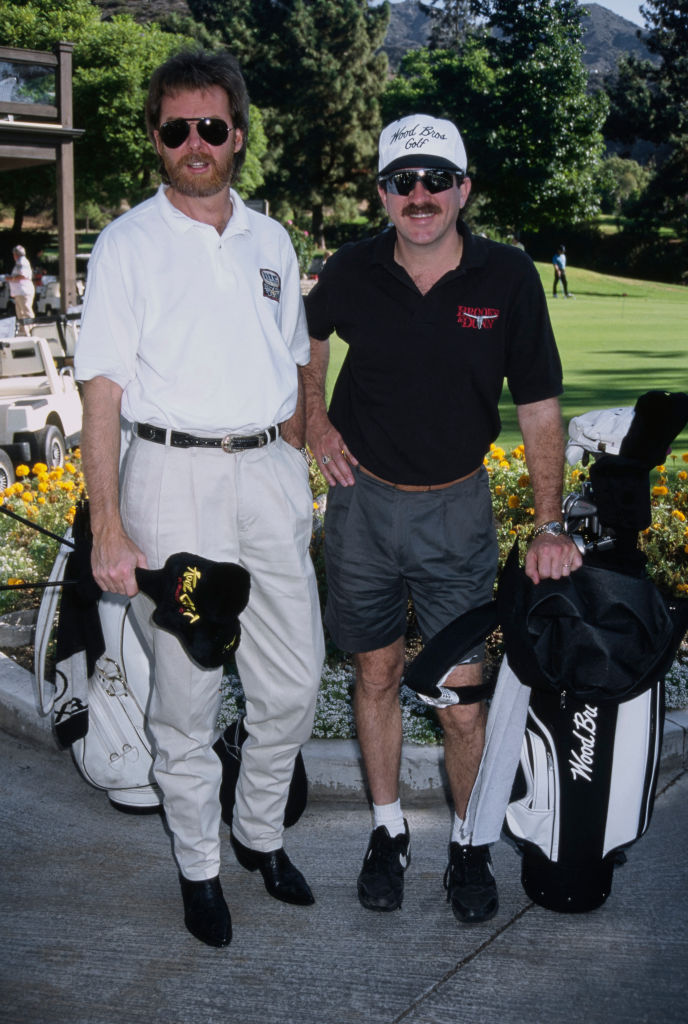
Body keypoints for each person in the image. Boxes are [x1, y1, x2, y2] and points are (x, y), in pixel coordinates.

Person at [303, 114, 582, 925]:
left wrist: (548, 523)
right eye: (401, 182)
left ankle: (469, 844)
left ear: (463, 189)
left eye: (434, 179)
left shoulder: (510, 278)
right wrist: (315, 419)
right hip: (362, 505)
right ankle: (388, 832)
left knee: (463, 699)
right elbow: (307, 344)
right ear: (382, 193)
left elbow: (538, 406)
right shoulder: (353, 268)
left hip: (457, 512)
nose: (418, 196)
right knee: (377, 675)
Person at [75, 50, 325, 948]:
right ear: (157, 138)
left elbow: (296, 356)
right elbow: (100, 389)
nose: (194, 143)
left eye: (210, 128)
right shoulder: (126, 243)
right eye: (176, 128)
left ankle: (258, 834)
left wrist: (306, 445)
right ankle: (200, 866)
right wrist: (108, 523)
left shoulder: (272, 241)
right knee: (186, 696)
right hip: (171, 482)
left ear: (237, 138)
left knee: (293, 683)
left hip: (266, 475)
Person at [7, 244, 35, 333]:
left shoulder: (22, 261)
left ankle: (32, 330)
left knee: (26, 311)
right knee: (20, 312)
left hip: (24, 291)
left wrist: (11, 279)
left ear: (16, 254)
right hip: (19, 292)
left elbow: (22, 275)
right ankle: (24, 331)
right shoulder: (20, 261)